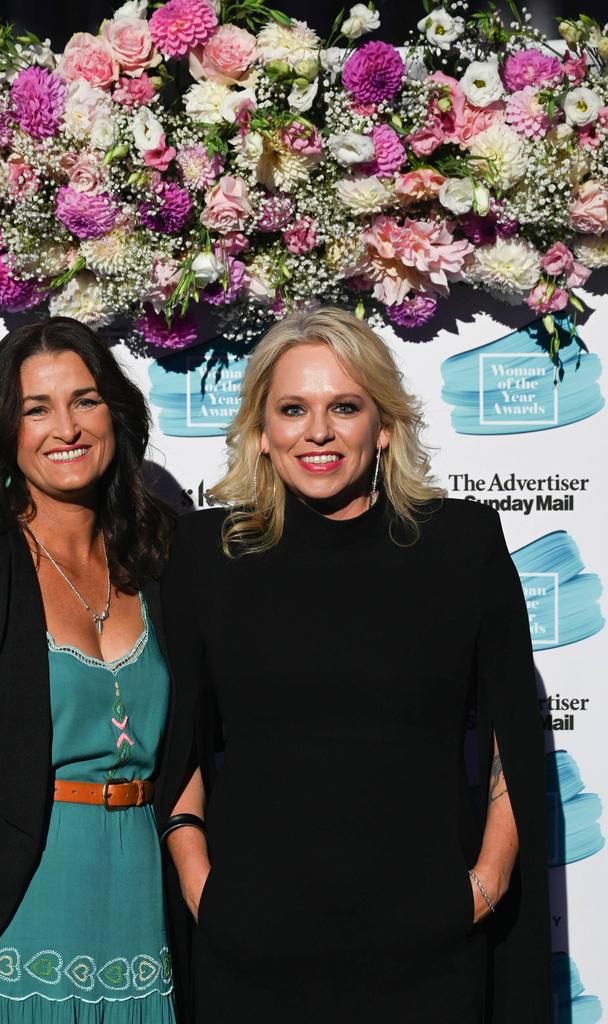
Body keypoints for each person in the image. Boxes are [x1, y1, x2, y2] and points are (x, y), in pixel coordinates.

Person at [155, 306, 551, 1023]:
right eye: (292, 409)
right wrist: (199, 880)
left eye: (345, 407)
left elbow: (514, 734)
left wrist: (486, 883)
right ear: (262, 433)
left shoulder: (461, 544)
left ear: (386, 424)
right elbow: (175, 734)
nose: (318, 431)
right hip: (251, 949)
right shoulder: (206, 554)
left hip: (428, 945)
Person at [0, 317, 176, 1024]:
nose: (65, 428)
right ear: (6, 430)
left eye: (84, 400)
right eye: (36, 409)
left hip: (147, 908)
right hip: (14, 910)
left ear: (116, 411)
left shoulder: (161, 554)